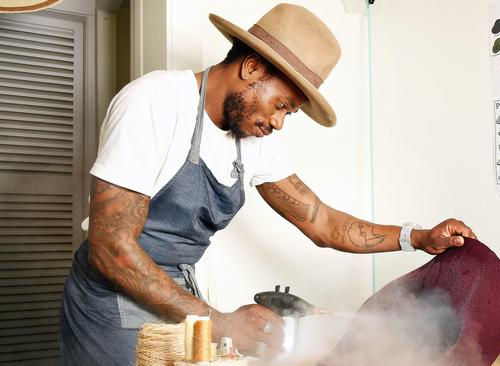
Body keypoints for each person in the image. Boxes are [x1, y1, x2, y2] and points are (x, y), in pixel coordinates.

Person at [59, 3, 476, 365]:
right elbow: (111, 247)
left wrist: (417, 236)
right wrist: (218, 320)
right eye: (281, 105)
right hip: (110, 302)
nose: (277, 122)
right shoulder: (155, 102)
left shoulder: (255, 142)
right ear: (252, 67)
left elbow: (324, 223)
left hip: (181, 298)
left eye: (288, 114)